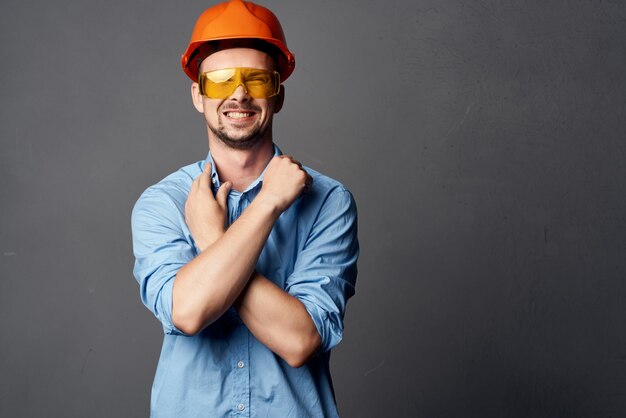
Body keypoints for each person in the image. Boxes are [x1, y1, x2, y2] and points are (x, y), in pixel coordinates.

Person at [131, 1, 359, 416]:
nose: (238, 93)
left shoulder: (328, 202)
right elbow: (189, 311)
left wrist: (213, 239)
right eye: (219, 81)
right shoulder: (162, 203)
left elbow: (299, 341)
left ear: (279, 94)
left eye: (256, 79)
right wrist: (268, 208)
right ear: (198, 94)